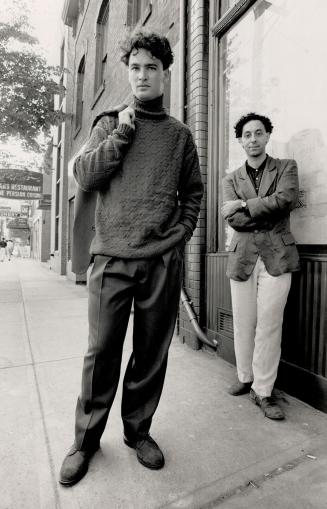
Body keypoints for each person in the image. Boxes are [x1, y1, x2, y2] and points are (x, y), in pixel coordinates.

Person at [59, 31, 203, 486]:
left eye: (151, 68)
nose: (142, 75)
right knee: (101, 353)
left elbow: (193, 195)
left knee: (150, 354)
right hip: (111, 260)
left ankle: (138, 432)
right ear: (129, 71)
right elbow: (85, 173)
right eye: (135, 67)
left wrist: (178, 237)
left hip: (160, 262)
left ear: (165, 73)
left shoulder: (180, 137)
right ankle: (85, 441)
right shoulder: (109, 123)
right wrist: (123, 131)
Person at [222, 112, 300, 421]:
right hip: (243, 257)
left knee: (270, 324)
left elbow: (287, 199)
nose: (252, 139)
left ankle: (264, 391)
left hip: (277, 257)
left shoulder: (286, 168)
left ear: (267, 136)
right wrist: (260, 210)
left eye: (258, 133)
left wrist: (243, 204)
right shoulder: (231, 178)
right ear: (240, 141)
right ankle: (245, 377)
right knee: (244, 322)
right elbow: (234, 221)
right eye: (247, 135)